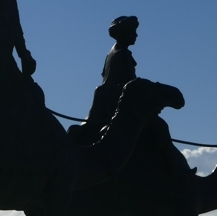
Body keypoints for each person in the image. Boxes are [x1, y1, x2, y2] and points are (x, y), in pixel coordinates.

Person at [74, 16, 192, 178]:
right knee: (160, 127)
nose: (136, 35)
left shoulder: (114, 52)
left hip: (107, 104)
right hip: (117, 105)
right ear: (124, 33)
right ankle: (177, 172)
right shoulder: (121, 55)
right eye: (133, 32)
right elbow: (126, 85)